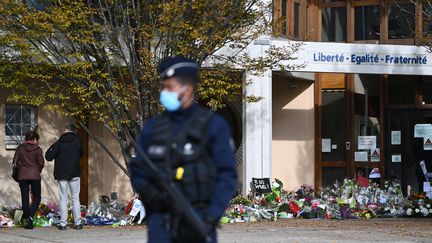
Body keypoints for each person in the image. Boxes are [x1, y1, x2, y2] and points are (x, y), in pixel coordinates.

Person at [129, 56, 237, 243]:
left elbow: (227, 175)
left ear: (187, 90)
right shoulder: (153, 127)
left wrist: (211, 215)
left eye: (169, 88)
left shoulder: (212, 126)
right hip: (161, 222)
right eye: (163, 87)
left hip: (198, 221)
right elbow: (138, 168)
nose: (164, 92)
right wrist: (150, 195)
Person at [45, 124, 83, 230]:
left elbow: (48, 156)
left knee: (63, 198)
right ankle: (78, 223)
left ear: (65, 130)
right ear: (74, 131)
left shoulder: (59, 142)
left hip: (62, 174)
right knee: (76, 198)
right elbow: (81, 153)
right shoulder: (78, 141)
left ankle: (63, 224)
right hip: (75, 173)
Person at [14, 130, 44, 229]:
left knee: (25, 198)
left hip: (23, 175)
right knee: (37, 197)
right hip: (35, 175)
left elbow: (15, 162)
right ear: (35, 139)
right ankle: (30, 217)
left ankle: (27, 218)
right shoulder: (38, 149)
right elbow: (41, 163)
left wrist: (19, 172)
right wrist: (37, 170)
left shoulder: (20, 148)